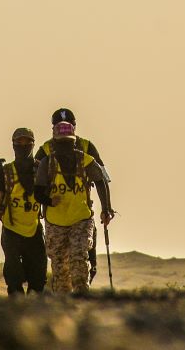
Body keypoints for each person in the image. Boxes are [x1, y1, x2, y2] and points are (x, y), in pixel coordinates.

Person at [35, 120, 114, 294]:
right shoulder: (45, 163)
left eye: (69, 142)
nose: (65, 147)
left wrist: (106, 209)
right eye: (62, 143)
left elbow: (101, 181)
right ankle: (64, 307)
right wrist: (49, 201)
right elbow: (37, 193)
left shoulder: (86, 160)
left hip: (81, 219)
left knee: (79, 258)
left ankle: (81, 297)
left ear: (74, 141)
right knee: (59, 266)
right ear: (54, 143)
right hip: (55, 222)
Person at [0, 127, 49, 295]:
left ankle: (35, 312)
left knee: (38, 276)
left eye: (27, 142)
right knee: (13, 275)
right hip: (11, 230)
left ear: (33, 144)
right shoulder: (5, 173)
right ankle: (16, 311)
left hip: (34, 229)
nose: (23, 146)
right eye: (19, 143)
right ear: (13, 145)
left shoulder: (42, 169)